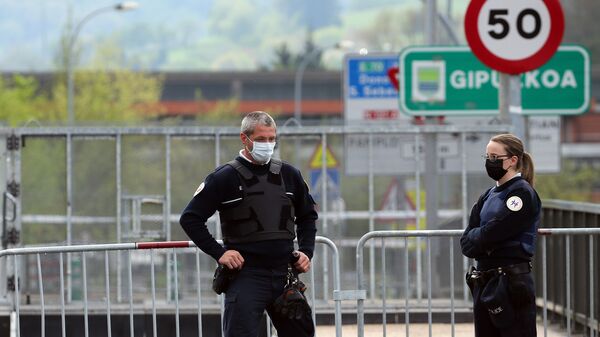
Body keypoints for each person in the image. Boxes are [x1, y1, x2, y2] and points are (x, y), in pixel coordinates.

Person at [180, 111, 318, 337]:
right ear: (245, 139)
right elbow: (190, 218)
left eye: (272, 139)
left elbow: (308, 216)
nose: (268, 144)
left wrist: (306, 251)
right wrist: (220, 253)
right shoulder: (223, 178)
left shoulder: (289, 174)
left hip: (284, 275)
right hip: (246, 277)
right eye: (261, 139)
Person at [460, 133, 541, 337]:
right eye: (487, 157)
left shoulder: (521, 193)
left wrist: (481, 238)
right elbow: (466, 241)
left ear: (513, 160)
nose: (490, 162)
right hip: (485, 282)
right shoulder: (487, 195)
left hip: (511, 284)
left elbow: (495, 232)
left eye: (495, 157)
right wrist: (482, 238)